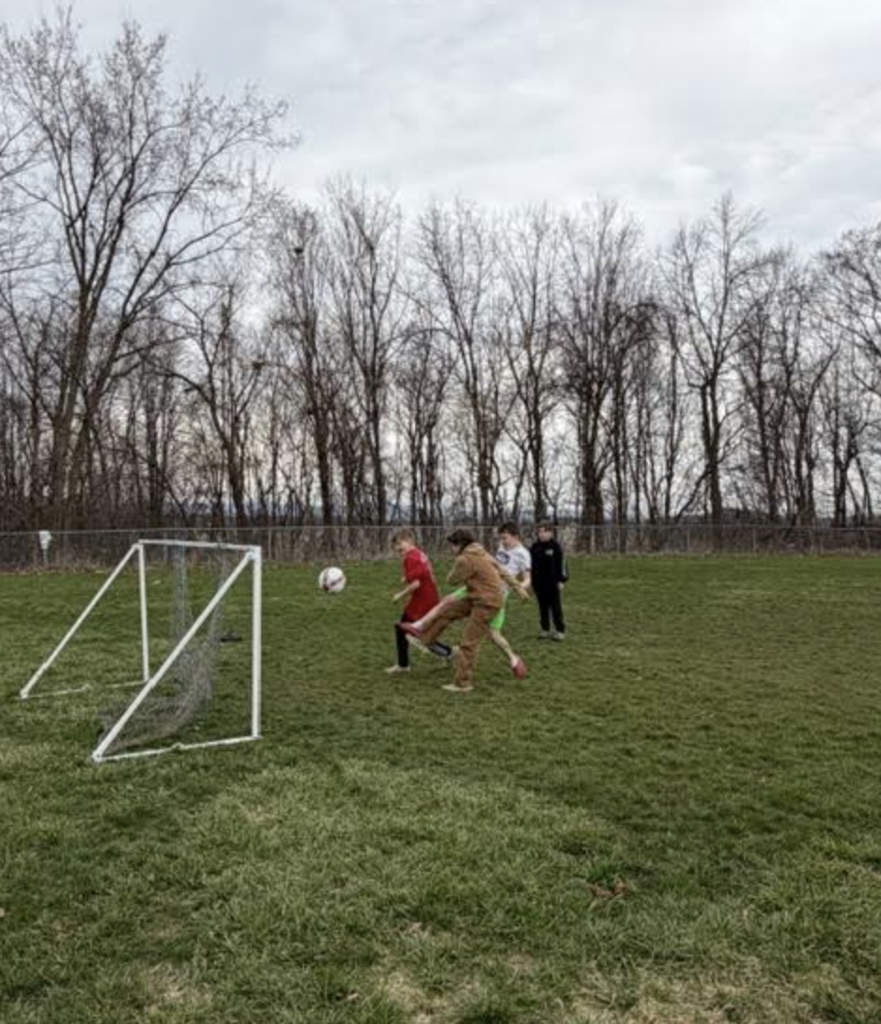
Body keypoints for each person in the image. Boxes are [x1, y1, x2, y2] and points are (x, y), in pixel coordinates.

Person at [402, 529, 528, 693]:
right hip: (477, 595)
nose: (451, 549)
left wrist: (459, 567)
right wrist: (518, 588)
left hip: (487, 603)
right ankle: (424, 639)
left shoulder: (465, 559)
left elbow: (451, 580)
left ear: (460, 544)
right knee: (447, 610)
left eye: (452, 545)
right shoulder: (481, 552)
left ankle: (463, 683)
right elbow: (502, 571)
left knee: (469, 642)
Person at [387, 529, 453, 673]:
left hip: (423, 601)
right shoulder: (419, 553)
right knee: (412, 631)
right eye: (395, 546)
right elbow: (424, 573)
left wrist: (400, 595)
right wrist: (406, 578)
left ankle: (404, 665)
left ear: (409, 540)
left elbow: (416, 584)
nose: (398, 548)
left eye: (400, 544)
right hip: (428, 597)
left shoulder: (410, 558)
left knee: (411, 632)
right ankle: (448, 653)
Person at [530, 521, 568, 640]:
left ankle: (560, 631)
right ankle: (545, 629)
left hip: (553, 584)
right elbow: (530, 565)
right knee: (543, 608)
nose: (541, 534)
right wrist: (531, 581)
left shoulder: (555, 547)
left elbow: (562, 565)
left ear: (550, 532)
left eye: (544, 531)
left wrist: (562, 580)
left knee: (556, 608)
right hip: (539, 584)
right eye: (539, 532)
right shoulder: (534, 547)